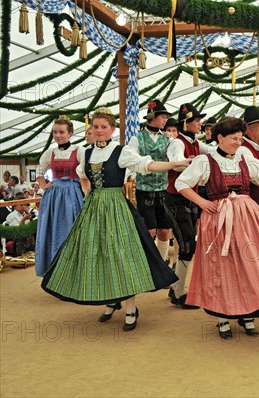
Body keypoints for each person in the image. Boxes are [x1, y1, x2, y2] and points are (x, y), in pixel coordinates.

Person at [41, 108, 186, 332]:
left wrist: (173, 164)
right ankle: (111, 299)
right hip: (93, 209)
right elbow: (82, 176)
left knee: (121, 255)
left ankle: (130, 307)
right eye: (95, 127)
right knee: (98, 254)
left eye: (103, 127)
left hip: (116, 207)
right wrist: (87, 196)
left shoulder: (122, 151)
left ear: (112, 130)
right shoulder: (87, 153)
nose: (99, 131)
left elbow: (146, 165)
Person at [175, 117, 259, 339]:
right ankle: (222, 317)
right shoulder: (205, 161)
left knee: (251, 264)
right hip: (219, 220)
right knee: (222, 266)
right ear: (220, 138)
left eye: (240, 138)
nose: (239, 143)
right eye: (234, 139)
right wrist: (202, 203)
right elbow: (181, 183)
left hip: (248, 219)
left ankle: (248, 313)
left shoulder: (244, 159)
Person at [165, 102, 214, 309]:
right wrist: (189, 161)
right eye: (196, 120)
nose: (199, 123)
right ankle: (178, 292)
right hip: (176, 199)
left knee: (188, 243)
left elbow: (212, 151)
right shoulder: (178, 142)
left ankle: (175, 286)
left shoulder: (195, 141)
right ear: (186, 122)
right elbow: (175, 160)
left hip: (188, 198)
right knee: (187, 245)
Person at [34, 115, 86, 276]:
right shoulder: (50, 152)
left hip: (72, 195)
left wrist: (84, 192)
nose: (57, 135)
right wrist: (45, 186)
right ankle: (54, 271)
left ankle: (73, 272)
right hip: (53, 197)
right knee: (52, 230)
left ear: (70, 133)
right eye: (55, 132)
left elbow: (85, 175)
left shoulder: (79, 151)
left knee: (71, 230)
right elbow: (39, 172)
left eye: (61, 132)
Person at [128, 99, 172, 263]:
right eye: (163, 117)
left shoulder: (167, 138)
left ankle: (162, 262)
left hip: (163, 189)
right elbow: (132, 161)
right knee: (149, 230)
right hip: (144, 189)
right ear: (153, 116)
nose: (165, 120)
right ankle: (147, 264)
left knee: (164, 230)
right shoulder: (137, 138)